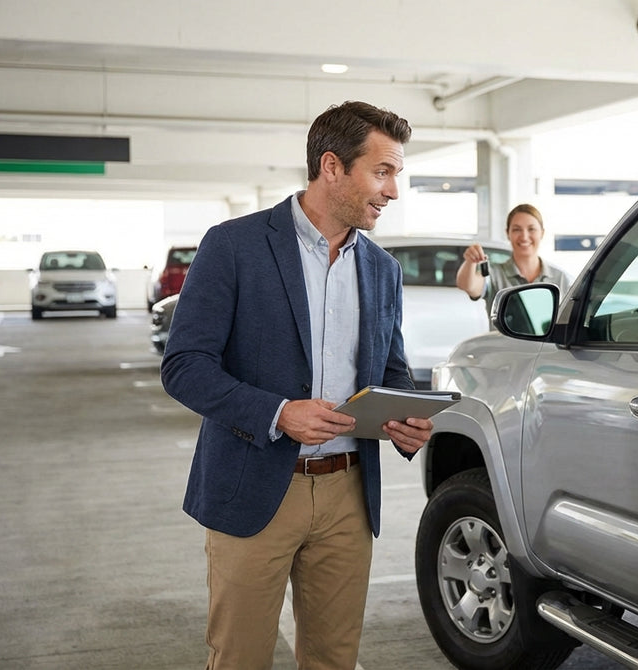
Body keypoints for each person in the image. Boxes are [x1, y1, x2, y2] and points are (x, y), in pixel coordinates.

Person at [160, 100, 431, 670]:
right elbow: (185, 365)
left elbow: (391, 370)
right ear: (331, 166)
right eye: (382, 172)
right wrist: (278, 412)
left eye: (396, 175)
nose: (392, 191)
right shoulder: (233, 246)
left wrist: (406, 415)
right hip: (254, 488)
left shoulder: (381, 268)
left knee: (335, 659)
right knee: (240, 659)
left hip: (348, 494)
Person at [456, 203, 573, 320]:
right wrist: (470, 262)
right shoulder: (495, 274)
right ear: (508, 233)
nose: (524, 236)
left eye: (531, 229)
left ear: (542, 233)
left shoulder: (561, 278)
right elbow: (468, 285)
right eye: (517, 229)